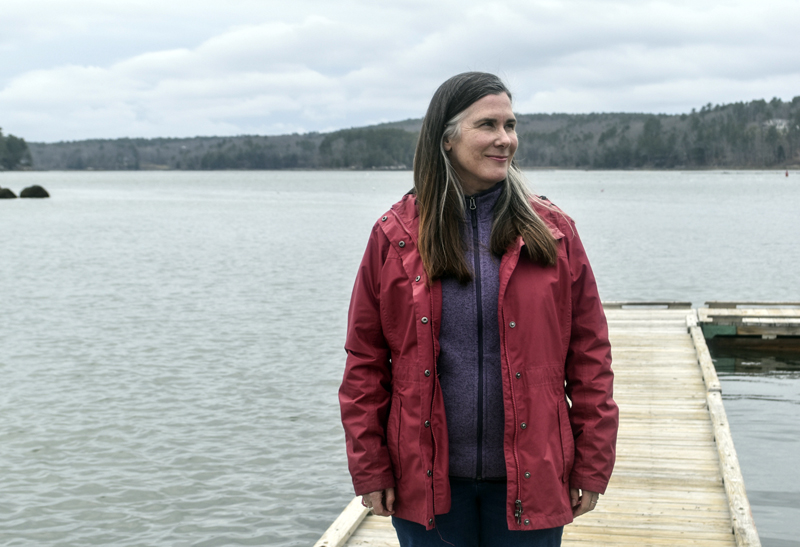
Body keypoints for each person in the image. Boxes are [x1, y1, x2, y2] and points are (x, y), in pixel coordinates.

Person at [339, 72, 618, 547]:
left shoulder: (554, 233)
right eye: (487, 125)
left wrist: (593, 463)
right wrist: (370, 467)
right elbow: (364, 363)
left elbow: (590, 357)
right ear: (446, 139)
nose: (505, 140)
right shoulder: (394, 235)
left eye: (510, 125)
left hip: (532, 477)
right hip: (427, 482)